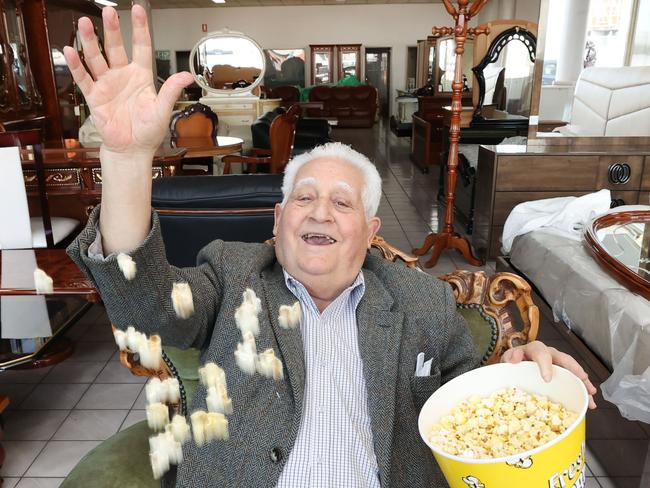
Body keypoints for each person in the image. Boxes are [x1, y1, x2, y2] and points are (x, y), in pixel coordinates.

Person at [64, 6, 597, 488]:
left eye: (343, 204)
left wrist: (524, 374)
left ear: (371, 231)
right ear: (278, 220)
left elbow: (477, 403)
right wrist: (127, 160)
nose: (320, 212)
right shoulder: (231, 273)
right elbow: (147, 310)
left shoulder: (422, 301)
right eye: (304, 199)